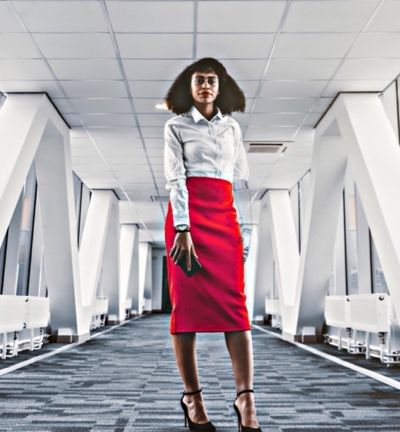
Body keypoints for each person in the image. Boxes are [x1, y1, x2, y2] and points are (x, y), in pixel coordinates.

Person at [163, 58, 261, 432]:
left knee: (236, 306)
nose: (206, 85)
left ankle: (246, 400)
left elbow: (240, 178)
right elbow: (176, 180)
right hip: (188, 219)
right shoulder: (176, 126)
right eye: (199, 80)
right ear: (189, 87)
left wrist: (239, 226)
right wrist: (183, 230)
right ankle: (193, 399)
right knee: (185, 309)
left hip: (223, 217)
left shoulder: (231, 127)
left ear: (220, 87)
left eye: (212, 80)